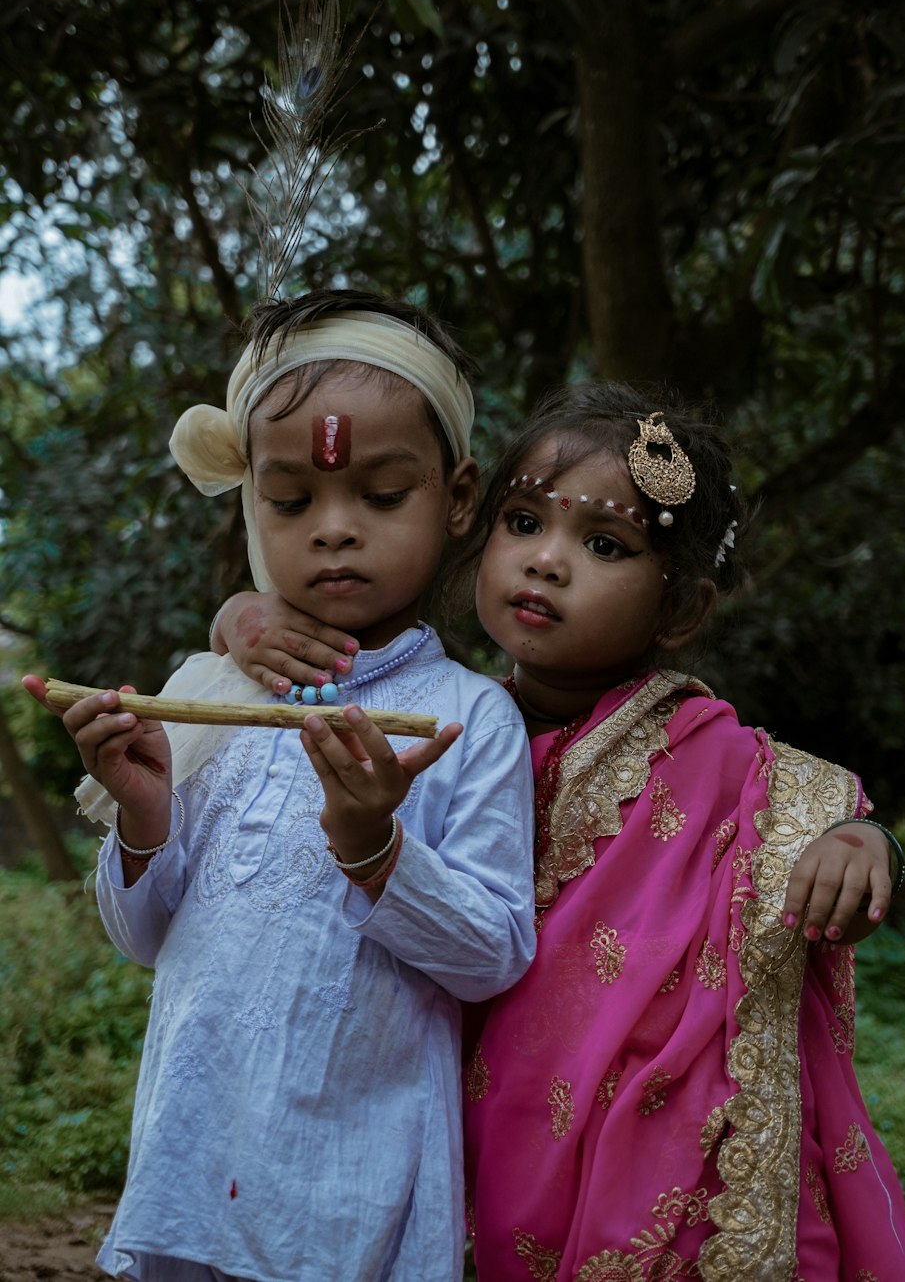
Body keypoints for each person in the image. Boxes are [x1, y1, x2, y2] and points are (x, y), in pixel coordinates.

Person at [213, 379, 905, 1279]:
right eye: (522, 524)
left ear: (683, 610)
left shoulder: (716, 762)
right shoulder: (442, 722)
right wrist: (239, 616)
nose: (546, 562)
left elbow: (822, 831)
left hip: (675, 1169)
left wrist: (865, 848)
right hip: (478, 1137)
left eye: (602, 544)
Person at [24, 287, 536, 1282]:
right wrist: (141, 816)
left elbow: (492, 957)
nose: (334, 530)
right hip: (189, 1170)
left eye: (381, 495)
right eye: (292, 499)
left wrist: (374, 848)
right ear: (252, 499)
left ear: (459, 497)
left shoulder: (468, 719)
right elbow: (145, 939)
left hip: (351, 1202)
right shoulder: (211, 693)